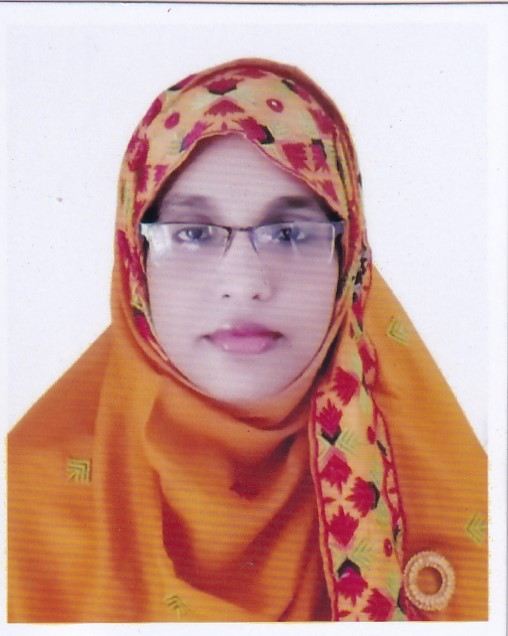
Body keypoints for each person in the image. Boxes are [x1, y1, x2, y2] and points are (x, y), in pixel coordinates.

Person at [7, 58, 487, 622]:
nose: (244, 283)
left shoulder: (458, 498)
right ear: (136, 265)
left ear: (347, 259)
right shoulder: (20, 509)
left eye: (289, 233)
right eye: (193, 233)